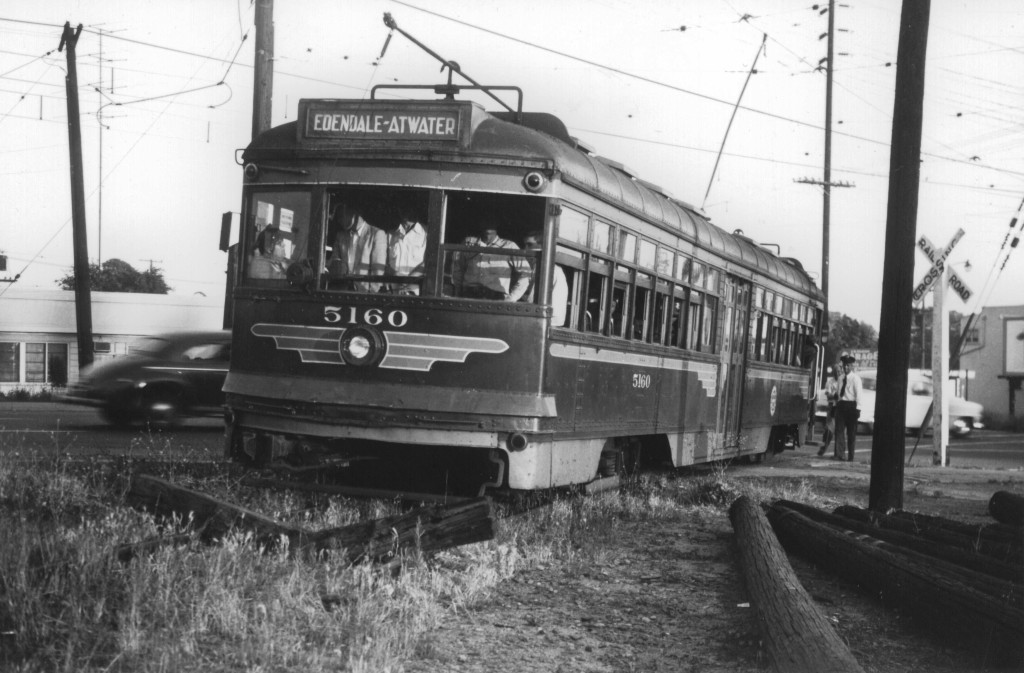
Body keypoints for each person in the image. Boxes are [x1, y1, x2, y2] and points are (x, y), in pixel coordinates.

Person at [453, 218, 531, 301]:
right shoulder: (468, 243)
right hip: (468, 297)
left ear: (497, 223)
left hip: (496, 299)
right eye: (485, 218)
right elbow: (458, 270)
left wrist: (511, 299)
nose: (488, 223)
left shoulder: (509, 246)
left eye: (492, 219)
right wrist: (457, 295)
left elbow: (526, 273)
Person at [328, 204, 386, 292]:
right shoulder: (340, 236)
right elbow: (334, 260)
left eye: (340, 216)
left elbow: (378, 272)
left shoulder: (377, 234)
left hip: (365, 295)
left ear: (354, 213)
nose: (339, 221)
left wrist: (370, 297)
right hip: (342, 293)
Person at [522, 232, 568, 327]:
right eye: (525, 245)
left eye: (530, 245)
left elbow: (533, 300)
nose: (525, 249)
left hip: (544, 323)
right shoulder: (532, 268)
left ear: (542, 246)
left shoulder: (552, 271)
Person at [386, 207, 427, 295]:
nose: (405, 213)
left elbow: (428, 262)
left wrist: (407, 281)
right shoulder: (391, 234)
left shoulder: (426, 234)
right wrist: (396, 275)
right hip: (393, 291)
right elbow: (385, 263)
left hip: (416, 292)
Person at [834, 352, 863, 461]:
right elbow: (838, 393)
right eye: (844, 365)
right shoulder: (841, 378)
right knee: (839, 431)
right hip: (842, 406)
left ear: (852, 366)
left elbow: (859, 395)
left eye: (848, 365)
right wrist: (836, 404)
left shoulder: (856, 379)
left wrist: (858, 409)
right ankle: (840, 454)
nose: (846, 367)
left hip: (851, 407)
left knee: (851, 433)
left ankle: (851, 456)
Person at [817, 365, 840, 457]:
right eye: (835, 371)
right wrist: (836, 396)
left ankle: (837, 453)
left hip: (840, 407)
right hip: (832, 407)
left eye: (838, 371)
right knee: (829, 430)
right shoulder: (829, 382)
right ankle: (823, 448)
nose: (837, 373)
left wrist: (835, 396)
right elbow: (829, 396)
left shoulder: (843, 380)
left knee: (840, 431)